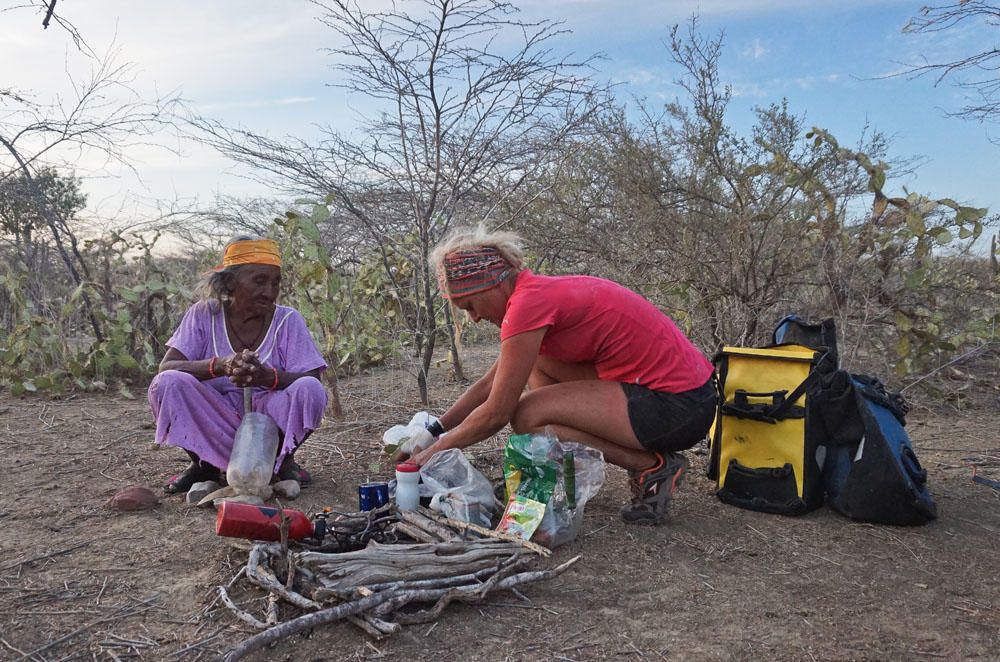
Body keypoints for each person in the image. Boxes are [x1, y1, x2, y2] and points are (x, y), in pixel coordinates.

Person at [402, 227, 716, 525]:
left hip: (676, 407)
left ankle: (652, 466)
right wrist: (434, 429)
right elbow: (489, 384)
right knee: (538, 366)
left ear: (490, 283)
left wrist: (428, 457)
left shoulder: (528, 305)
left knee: (527, 414)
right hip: (688, 399)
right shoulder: (536, 294)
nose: (475, 317)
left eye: (470, 304)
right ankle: (555, 477)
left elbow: (496, 413)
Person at [148, 236, 328, 494]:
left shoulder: (288, 320)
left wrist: (266, 377)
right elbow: (168, 367)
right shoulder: (203, 314)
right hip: (216, 417)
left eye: (275, 282)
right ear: (231, 283)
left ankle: (281, 460)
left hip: (268, 421)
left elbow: (311, 377)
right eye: (259, 281)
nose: (270, 291)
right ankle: (204, 464)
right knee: (167, 384)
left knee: (309, 389)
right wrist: (220, 366)